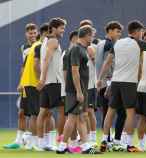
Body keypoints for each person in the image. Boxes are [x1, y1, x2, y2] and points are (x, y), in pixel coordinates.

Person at [97, 20, 146, 152]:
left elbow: (108, 62)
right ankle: (128, 144)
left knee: (111, 111)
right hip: (129, 83)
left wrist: (100, 78)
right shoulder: (139, 43)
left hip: (115, 82)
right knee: (130, 113)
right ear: (138, 31)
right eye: (142, 31)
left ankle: (104, 140)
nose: (143, 34)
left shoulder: (117, 43)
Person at [56, 25, 101, 154]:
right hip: (77, 91)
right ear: (86, 35)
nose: (92, 38)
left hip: (79, 89)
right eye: (91, 35)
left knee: (81, 117)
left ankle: (84, 146)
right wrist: (79, 91)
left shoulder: (81, 49)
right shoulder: (76, 49)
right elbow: (74, 71)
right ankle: (62, 146)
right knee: (72, 118)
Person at [4, 23, 38, 150]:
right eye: (30, 33)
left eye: (34, 32)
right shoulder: (23, 47)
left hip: (36, 85)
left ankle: (35, 141)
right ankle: (18, 141)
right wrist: (21, 82)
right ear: (26, 34)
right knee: (22, 113)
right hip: (26, 84)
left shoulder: (39, 46)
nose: (33, 35)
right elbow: (24, 67)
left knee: (38, 114)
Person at [95, 21, 126, 151]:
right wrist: (109, 81)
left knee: (107, 112)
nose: (119, 34)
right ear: (110, 31)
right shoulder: (109, 45)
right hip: (109, 83)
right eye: (117, 31)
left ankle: (106, 140)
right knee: (121, 112)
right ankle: (114, 140)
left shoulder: (100, 43)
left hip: (102, 83)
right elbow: (108, 65)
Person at [36, 17, 66, 151]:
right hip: (54, 82)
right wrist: (42, 79)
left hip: (48, 82)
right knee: (62, 112)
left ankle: (41, 143)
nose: (63, 31)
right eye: (61, 28)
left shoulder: (45, 41)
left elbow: (45, 61)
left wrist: (42, 80)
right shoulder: (53, 41)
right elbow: (47, 60)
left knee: (43, 113)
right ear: (54, 28)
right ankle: (61, 142)